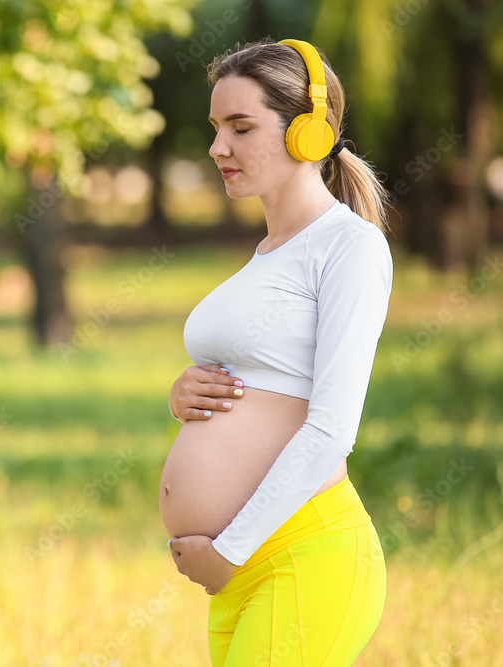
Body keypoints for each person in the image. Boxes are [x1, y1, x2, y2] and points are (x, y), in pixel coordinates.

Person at [162, 38, 392, 665]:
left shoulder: (349, 247)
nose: (217, 148)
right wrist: (183, 396)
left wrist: (229, 547)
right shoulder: (267, 256)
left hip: (303, 552)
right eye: (215, 128)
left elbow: (331, 429)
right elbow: (262, 386)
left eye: (241, 127)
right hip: (241, 571)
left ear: (309, 134)